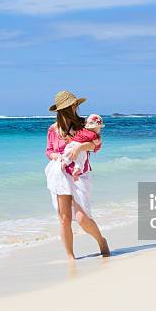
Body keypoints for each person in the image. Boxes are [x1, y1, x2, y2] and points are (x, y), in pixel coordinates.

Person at [45, 91, 110, 259]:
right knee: (64, 218)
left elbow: (97, 146)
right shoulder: (53, 129)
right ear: (61, 109)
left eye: (74, 105)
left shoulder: (85, 124)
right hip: (60, 174)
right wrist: (55, 156)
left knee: (82, 218)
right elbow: (49, 151)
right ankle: (70, 257)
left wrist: (79, 148)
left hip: (80, 175)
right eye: (70, 106)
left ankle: (101, 241)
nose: (74, 108)